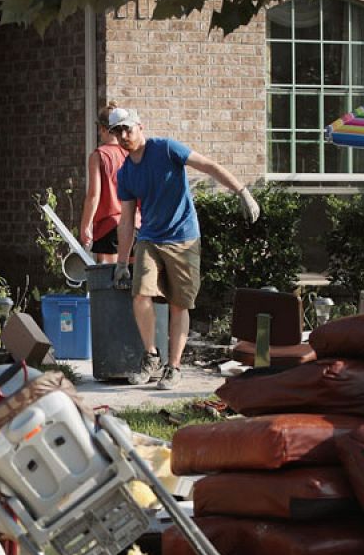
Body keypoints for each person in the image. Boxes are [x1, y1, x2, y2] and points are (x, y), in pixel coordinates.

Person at [109, 106, 260, 389]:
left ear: (140, 126)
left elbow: (208, 166)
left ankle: (173, 367)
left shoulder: (166, 149)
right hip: (150, 238)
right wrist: (120, 263)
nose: (124, 135)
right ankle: (151, 356)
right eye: (118, 131)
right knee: (140, 294)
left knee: (180, 305)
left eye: (128, 128)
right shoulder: (126, 173)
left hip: (184, 237)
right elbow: (127, 221)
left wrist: (242, 191)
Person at [77, 102, 136, 265]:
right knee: (134, 283)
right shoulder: (131, 153)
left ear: (103, 129)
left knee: (110, 283)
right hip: (135, 225)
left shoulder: (99, 155)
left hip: (110, 228)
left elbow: (94, 196)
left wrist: (85, 226)